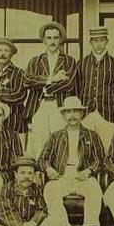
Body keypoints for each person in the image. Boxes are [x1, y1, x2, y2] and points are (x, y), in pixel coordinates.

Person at [38, 96, 105, 226]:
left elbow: (100, 159)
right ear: (63, 115)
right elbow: (42, 159)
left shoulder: (91, 135)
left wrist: (89, 170)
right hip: (62, 177)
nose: (72, 115)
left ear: (82, 114)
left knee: (95, 190)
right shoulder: (55, 136)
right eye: (68, 112)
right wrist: (49, 169)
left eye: (76, 111)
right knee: (50, 190)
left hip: (83, 176)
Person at [23, 21, 78, 158]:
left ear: (61, 39)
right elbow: (27, 80)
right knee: (39, 144)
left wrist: (45, 88)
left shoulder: (69, 61)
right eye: (49, 38)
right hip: (39, 105)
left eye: (55, 38)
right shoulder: (35, 61)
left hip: (59, 105)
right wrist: (52, 79)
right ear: (43, 40)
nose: (52, 41)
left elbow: (69, 84)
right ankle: (40, 170)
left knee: (60, 142)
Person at [76, 26, 114, 152]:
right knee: (86, 149)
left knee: (108, 149)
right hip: (86, 114)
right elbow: (77, 89)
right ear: (90, 42)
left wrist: (113, 109)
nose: (99, 44)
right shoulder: (82, 63)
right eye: (95, 41)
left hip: (108, 115)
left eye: (101, 40)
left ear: (106, 41)